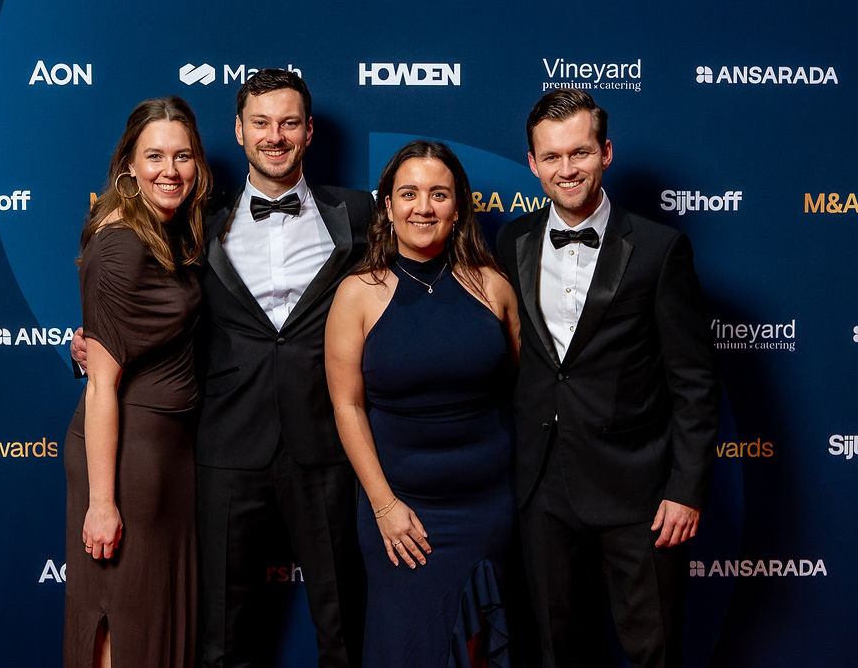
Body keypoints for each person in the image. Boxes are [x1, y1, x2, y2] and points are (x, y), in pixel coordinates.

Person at [495, 89, 720, 667]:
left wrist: (685, 489)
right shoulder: (512, 241)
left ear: (606, 153)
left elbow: (694, 382)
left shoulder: (660, 249)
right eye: (551, 156)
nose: (566, 169)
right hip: (543, 485)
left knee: (654, 650)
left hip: (640, 489)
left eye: (580, 152)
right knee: (556, 650)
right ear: (532, 164)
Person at [194, 69, 372, 667]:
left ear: (309, 131)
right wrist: (96, 344)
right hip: (227, 444)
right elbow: (150, 299)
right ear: (238, 131)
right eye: (262, 123)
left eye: (289, 123)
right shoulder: (198, 221)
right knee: (222, 637)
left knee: (344, 628)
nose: (275, 136)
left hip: (326, 443)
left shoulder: (358, 214)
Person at [325, 140, 522, 667]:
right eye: (409, 193)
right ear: (387, 206)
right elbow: (347, 407)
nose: (424, 207)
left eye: (439, 194)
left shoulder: (494, 287)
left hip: (489, 509)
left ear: (458, 208)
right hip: (402, 513)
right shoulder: (357, 294)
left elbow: (522, 391)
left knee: (481, 651)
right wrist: (384, 506)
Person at [63, 96, 211, 668]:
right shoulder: (120, 244)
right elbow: (102, 385)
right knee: (119, 620)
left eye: (182, 156)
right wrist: (103, 503)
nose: (169, 171)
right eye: (154, 156)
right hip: (126, 459)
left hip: (168, 455)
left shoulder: (168, 232)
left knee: (153, 623)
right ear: (129, 164)